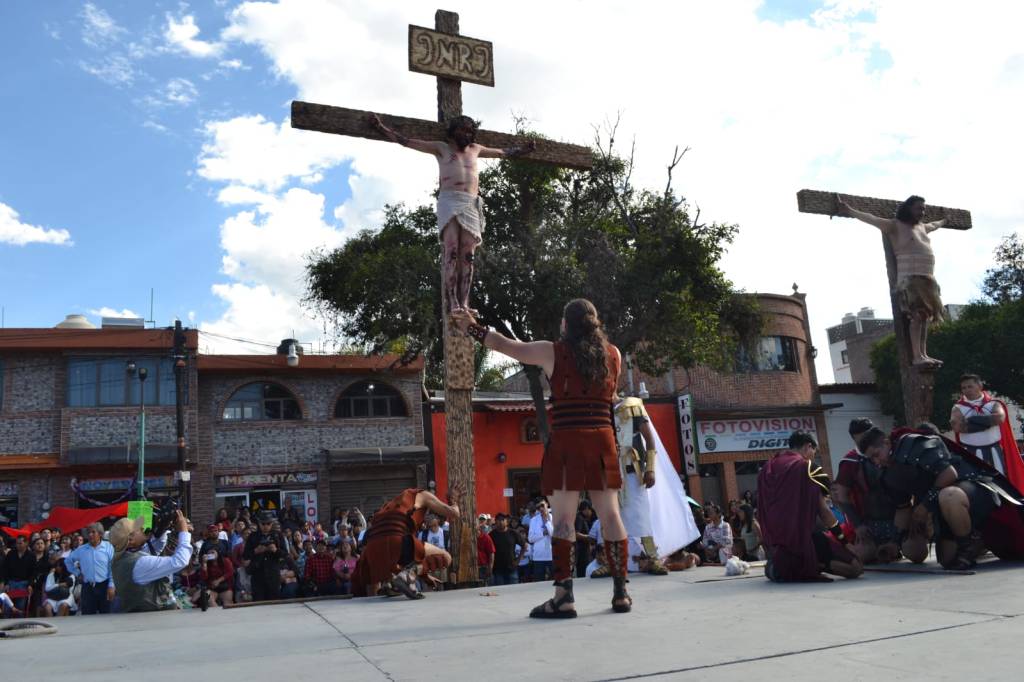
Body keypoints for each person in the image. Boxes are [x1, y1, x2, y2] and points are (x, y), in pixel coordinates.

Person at [453, 298, 632, 617]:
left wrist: (471, 327)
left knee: (562, 520)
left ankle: (564, 597)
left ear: (566, 324)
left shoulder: (552, 351)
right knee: (611, 515)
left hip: (567, 440)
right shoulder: (614, 354)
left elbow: (505, 345)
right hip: (602, 439)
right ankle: (621, 594)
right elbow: (612, 397)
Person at [370, 112, 536, 313]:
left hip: (470, 203)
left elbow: (503, 152)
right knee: (452, 251)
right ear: (452, 132)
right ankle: (453, 301)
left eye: (470, 131)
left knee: (468, 256)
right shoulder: (442, 148)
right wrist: (381, 128)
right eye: (462, 130)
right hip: (449, 201)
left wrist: (524, 150)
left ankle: (464, 302)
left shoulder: (476, 149)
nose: (466, 134)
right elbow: (407, 141)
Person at [860, 425, 1024, 570]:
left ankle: (966, 549)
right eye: (871, 459)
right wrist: (894, 542)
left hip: (971, 489)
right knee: (947, 559)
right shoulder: (887, 474)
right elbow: (903, 508)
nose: (876, 461)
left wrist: (924, 506)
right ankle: (977, 541)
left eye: (876, 454)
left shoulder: (913, 443)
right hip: (943, 504)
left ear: (887, 443)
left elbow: (949, 474)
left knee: (949, 495)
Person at [835, 195, 946, 367]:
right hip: (910, 280)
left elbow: (935, 225)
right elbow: (871, 218)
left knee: (925, 318)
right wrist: (849, 210)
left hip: (928, 279)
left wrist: (945, 220)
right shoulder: (895, 225)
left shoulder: (923, 227)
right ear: (908, 208)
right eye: (919, 208)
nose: (922, 212)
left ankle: (923, 354)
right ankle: (917, 356)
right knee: (917, 316)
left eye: (924, 209)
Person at [757, 431, 862, 582]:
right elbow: (824, 512)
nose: (813, 455)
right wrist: (844, 541)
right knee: (856, 568)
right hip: (804, 540)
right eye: (814, 451)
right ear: (808, 446)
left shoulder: (767, 468)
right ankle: (809, 566)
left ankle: (784, 566)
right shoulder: (806, 468)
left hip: (777, 545)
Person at [834, 418, 929, 565]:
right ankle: (881, 550)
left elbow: (917, 486)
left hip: (901, 518)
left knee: (916, 553)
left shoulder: (897, 453)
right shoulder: (850, 461)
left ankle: (894, 546)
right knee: (863, 556)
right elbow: (841, 495)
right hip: (870, 523)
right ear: (854, 439)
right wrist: (858, 525)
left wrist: (917, 516)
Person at [351, 487, 461, 599]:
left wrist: (425, 576)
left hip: (371, 550)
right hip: (395, 540)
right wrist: (453, 500)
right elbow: (454, 513)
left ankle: (390, 583)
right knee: (446, 557)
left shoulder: (389, 505)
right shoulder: (423, 495)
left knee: (400, 563)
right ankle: (407, 577)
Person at [613, 396, 669, 575]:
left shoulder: (632, 405)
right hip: (610, 472)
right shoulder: (599, 411)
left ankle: (652, 557)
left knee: (640, 514)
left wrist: (650, 468)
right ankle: (613, 561)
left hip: (632, 469)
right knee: (611, 517)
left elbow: (649, 439)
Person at [109, 510, 193, 612]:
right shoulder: (140, 563)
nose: (142, 528)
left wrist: (163, 527)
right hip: (157, 617)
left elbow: (155, 549)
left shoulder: (123, 559)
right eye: (138, 529)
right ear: (130, 540)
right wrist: (183, 531)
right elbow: (180, 561)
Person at [951, 373, 1024, 488]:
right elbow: (958, 427)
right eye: (964, 388)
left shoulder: (994, 403)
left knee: (1000, 482)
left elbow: (999, 418)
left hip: (993, 450)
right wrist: (987, 423)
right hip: (969, 452)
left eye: (970, 386)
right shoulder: (958, 407)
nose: (967, 390)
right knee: (973, 483)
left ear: (980, 386)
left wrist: (971, 421)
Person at [64, 522, 115, 615]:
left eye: (93, 532)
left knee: (107, 616)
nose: (90, 535)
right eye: (88, 533)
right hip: (88, 588)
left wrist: (111, 585)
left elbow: (112, 567)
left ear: (100, 534)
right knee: (87, 616)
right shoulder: (81, 549)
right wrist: (77, 573)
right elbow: (68, 561)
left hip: (104, 586)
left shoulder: (108, 547)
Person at [243, 510, 288, 602]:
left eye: (268, 523)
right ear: (259, 523)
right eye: (263, 524)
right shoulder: (253, 536)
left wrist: (275, 550)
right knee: (258, 602)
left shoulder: (277, 535)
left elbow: (285, 554)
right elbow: (245, 555)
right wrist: (256, 551)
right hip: (257, 574)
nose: (265, 526)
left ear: (272, 523)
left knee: (274, 602)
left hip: (273, 574)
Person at [489, 514, 525, 586]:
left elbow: (524, 546)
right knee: (500, 591)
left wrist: (518, 560)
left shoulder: (513, 533)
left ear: (507, 522)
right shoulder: (491, 535)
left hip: (512, 568)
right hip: (497, 570)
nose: (501, 522)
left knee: (514, 591)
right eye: (498, 520)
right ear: (495, 522)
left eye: (503, 520)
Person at [527, 500, 554, 582]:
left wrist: (547, 521)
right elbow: (530, 539)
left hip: (552, 556)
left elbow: (554, 535)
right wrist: (543, 533)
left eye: (542, 506)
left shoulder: (553, 517)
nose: (541, 508)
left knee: (554, 582)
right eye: (539, 507)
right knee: (539, 583)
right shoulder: (533, 520)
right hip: (538, 557)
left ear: (547, 505)